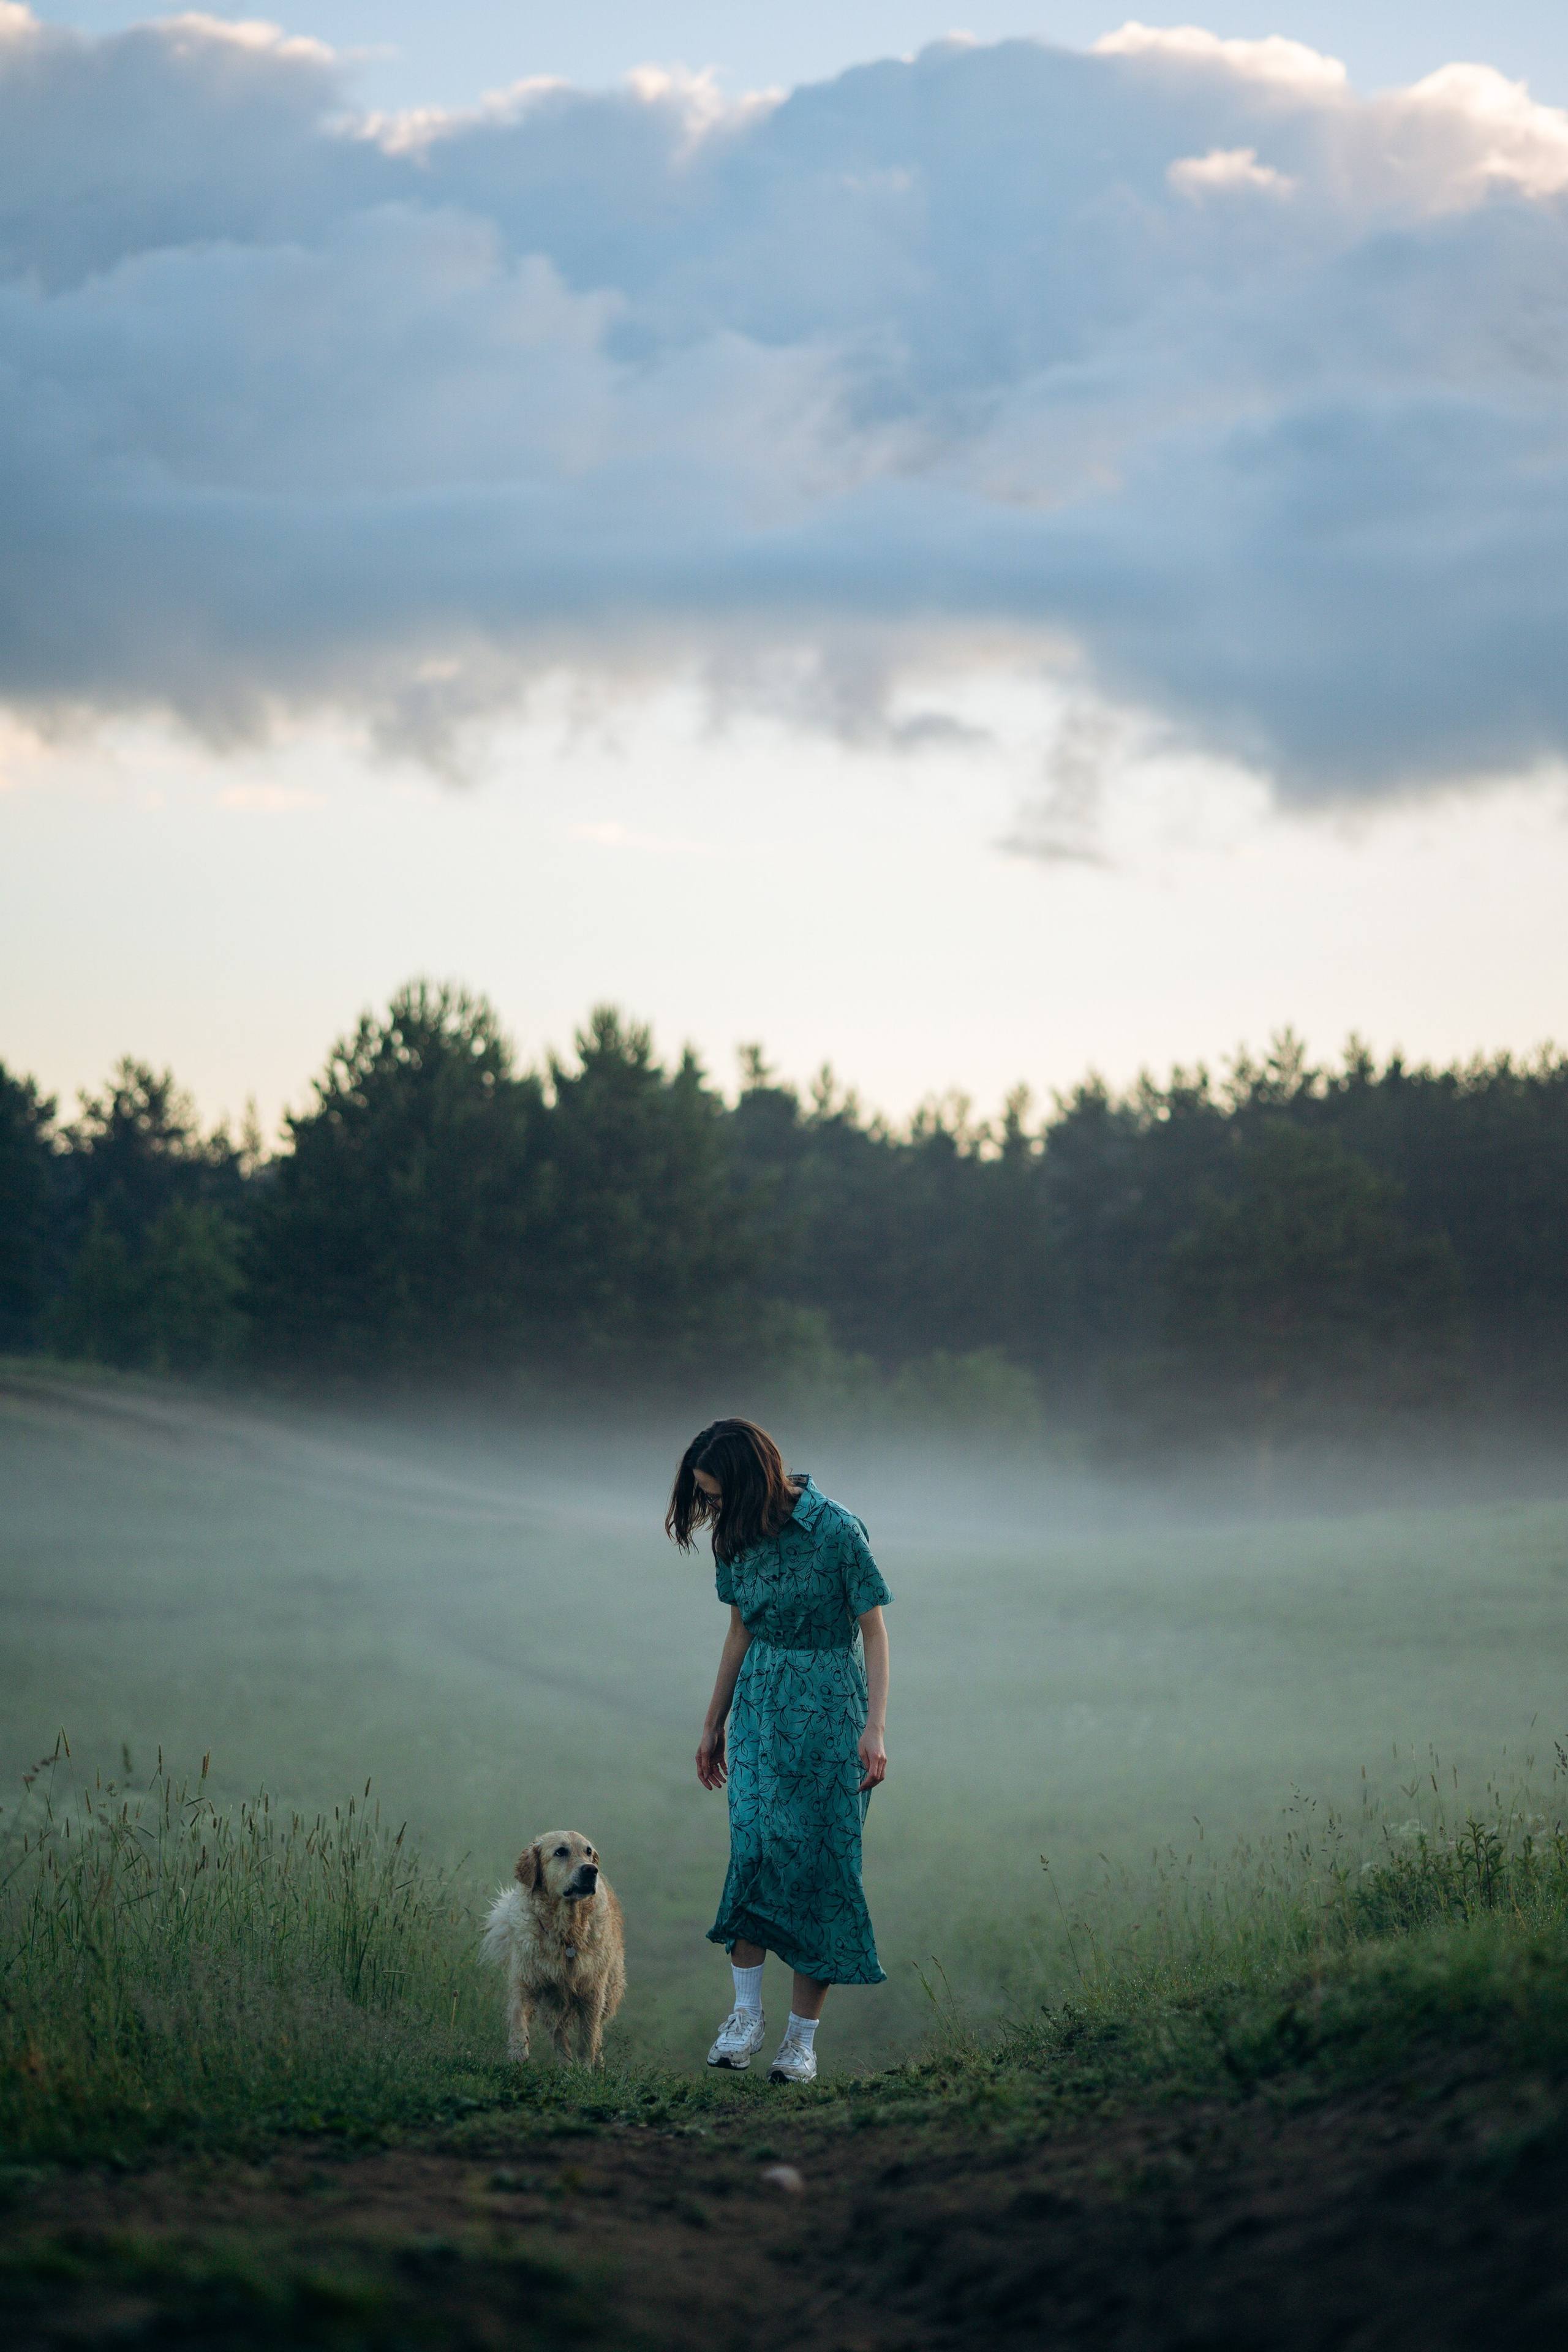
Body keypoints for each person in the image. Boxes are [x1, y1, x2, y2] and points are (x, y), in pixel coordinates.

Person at [666, 1417, 891, 2084]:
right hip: (762, 1706)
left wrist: (875, 1728)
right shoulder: (734, 1537)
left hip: (830, 1709)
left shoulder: (836, 1530)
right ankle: (744, 2018)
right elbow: (739, 1632)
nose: (709, 1510)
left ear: (749, 1479)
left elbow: (874, 1633)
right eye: (702, 1497)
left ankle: (801, 2042)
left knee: (821, 1866)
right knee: (758, 1850)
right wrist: (713, 1723)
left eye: (715, 1494)